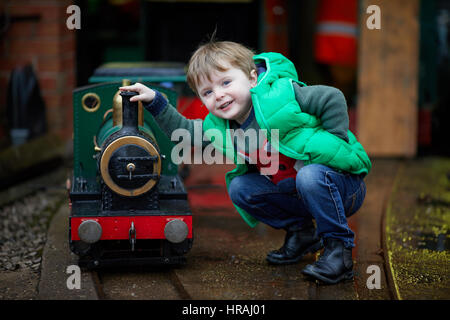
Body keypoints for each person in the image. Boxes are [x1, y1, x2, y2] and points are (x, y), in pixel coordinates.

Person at [119, 40, 371, 284]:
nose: (219, 95)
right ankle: (303, 233)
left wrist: (335, 143)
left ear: (252, 78)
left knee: (310, 176)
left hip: (341, 187)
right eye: (207, 92)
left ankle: (339, 251)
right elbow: (183, 130)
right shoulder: (221, 127)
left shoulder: (281, 95)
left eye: (226, 82)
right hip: (298, 193)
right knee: (241, 188)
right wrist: (154, 101)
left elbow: (332, 97)